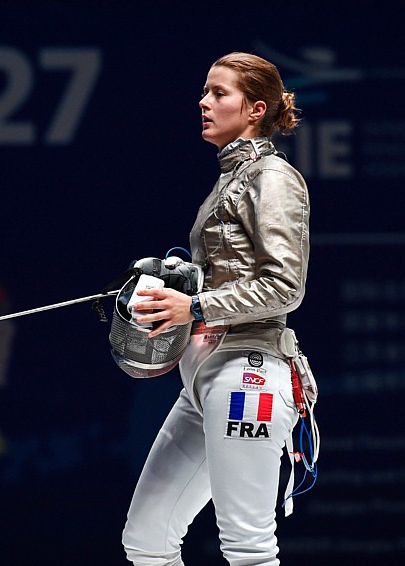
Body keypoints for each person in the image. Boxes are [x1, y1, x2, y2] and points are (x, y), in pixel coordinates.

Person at [122, 52, 311, 565]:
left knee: (248, 547)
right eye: (206, 92)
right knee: (147, 539)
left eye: (219, 94)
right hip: (206, 377)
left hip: (247, 374)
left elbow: (284, 286)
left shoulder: (272, 176)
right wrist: (179, 280)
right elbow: (237, 271)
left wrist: (194, 305)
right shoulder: (232, 178)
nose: (204, 103)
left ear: (255, 109)